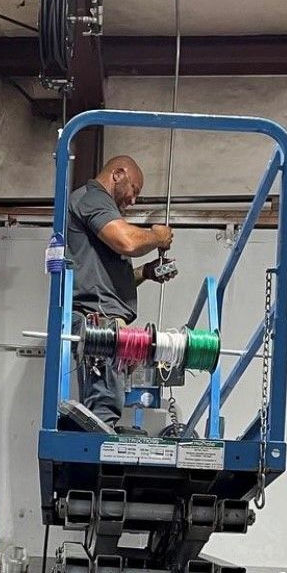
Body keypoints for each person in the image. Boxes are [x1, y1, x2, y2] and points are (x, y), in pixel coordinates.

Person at [65, 155, 173, 429]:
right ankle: (98, 456)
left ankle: (101, 445)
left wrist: (146, 273)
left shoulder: (95, 208)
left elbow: (103, 284)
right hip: (98, 320)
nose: (133, 200)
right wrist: (157, 237)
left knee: (107, 402)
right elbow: (127, 241)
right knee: (104, 408)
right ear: (117, 174)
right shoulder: (94, 199)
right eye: (134, 190)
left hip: (103, 318)